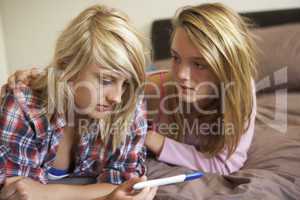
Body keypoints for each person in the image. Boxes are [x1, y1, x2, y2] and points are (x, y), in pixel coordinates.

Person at [0, 5, 156, 200]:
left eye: (125, 83)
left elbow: (124, 184)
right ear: (67, 66)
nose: (116, 97)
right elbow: (17, 193)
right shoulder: (24, 105)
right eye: (106, 80)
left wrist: (49, 193)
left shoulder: (129, 103)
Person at [145, 3, 257, 175]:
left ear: (228, 69)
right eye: (175, 57)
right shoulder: (150, 91)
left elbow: (225, 164)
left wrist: (156, 141)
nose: (181, 74)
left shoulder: (241, 89)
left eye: (198, 64)